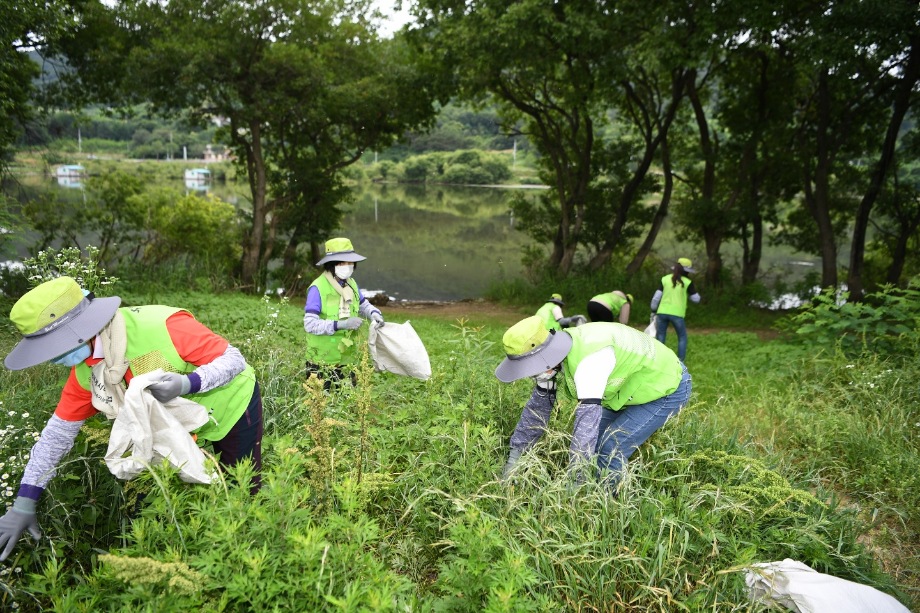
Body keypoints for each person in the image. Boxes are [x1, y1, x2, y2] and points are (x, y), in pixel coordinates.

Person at [0, 276, 263, 561]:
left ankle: (247, 555)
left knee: (241, 487)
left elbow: (233, 359)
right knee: (171, 498)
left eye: (53, 348)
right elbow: (57, 435)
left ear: (79, 329)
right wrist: (25, 501)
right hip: (172, 432)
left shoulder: (161, 326)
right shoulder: (88, 374)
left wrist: (188, 383)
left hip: (231, 407)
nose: (51, 360)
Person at [494, 316, 692, 490]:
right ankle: (596, 488)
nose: (529, 373)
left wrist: (575, 485)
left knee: (611, 447)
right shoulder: (549, 362)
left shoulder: (589, 364)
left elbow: (585, 429)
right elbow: (537, 411)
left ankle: (609, 509)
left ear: (544, 357)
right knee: (596, 442)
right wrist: (515, 459)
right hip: (628, 386)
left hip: (665, 385)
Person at [304, 237, 384, 385]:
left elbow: (363, 305)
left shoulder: (351, 284)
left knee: (347, 402)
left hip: (347, 358)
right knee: (321, 404)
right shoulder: (318, 288)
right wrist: (341, 325)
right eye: (342, 263)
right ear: (331, 264)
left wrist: (374, 313)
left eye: (350, 262)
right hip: (321, 361)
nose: (347, 266)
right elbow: (309, 324)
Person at [650, 257, 701, 362]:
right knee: (682, 337)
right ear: (687, 271)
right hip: (677, 314)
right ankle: (680, 361)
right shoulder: (687, 282)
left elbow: (656, 298)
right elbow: (696, 299)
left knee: (660, 335)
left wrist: (653, 310)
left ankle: (658, 360)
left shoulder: (664, 279)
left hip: (662, 312)